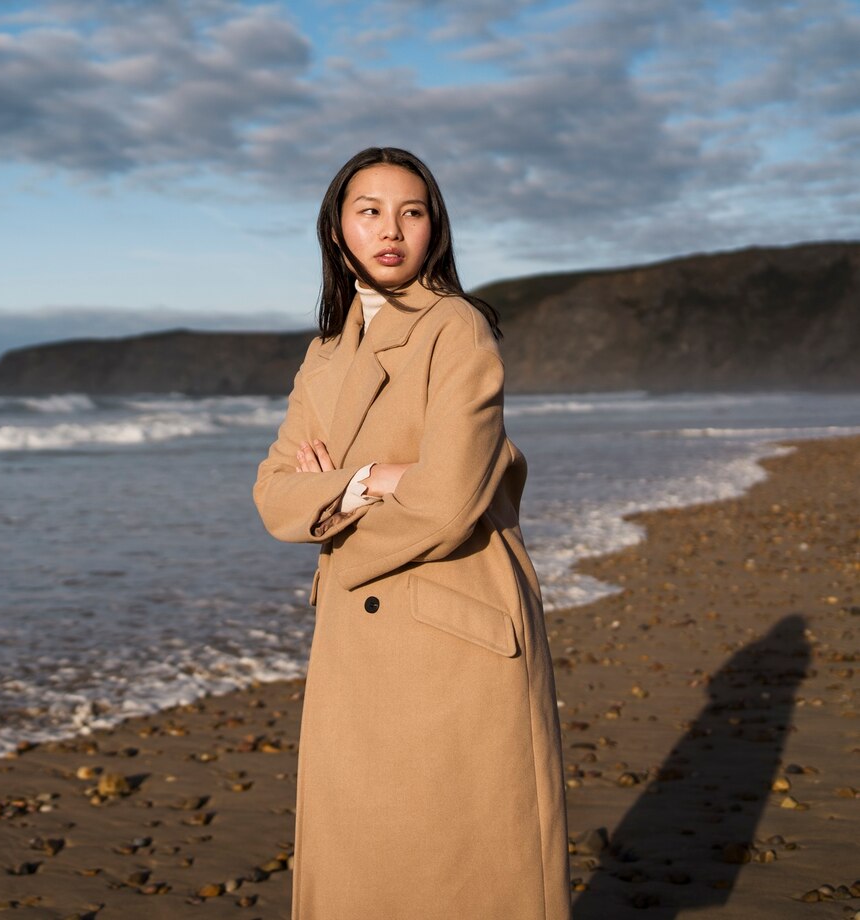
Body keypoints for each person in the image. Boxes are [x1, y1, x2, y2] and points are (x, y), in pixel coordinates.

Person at [253, 147, 571, 919]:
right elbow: (271, 498)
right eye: (369, 210)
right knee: (368, 870)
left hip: (454, 627)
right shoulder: (326, 351)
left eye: (412, 211)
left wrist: (335, 494)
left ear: (435, 229)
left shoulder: (457, 328)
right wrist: (372, 479)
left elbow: (450, 498)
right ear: (338, 229)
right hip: (359, 643)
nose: (390, 230)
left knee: (469, 868)